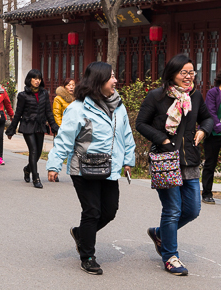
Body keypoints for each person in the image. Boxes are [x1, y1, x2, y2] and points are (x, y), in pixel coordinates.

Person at [46, 62, 135, 275]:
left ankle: (81, 234)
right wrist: (54, 164)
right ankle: (87, 255)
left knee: (110, 211)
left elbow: (126, 135)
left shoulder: (118, 106)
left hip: (110, 167)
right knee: (92, 211)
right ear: (98, 81)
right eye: (111, 77)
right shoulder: (78, 108)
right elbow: (64, 139)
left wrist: (128, 160)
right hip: (83, 168)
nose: (115, 80)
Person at [136, 54, 213, 275]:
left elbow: (207, 118)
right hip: (166, 160)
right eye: (184, 73)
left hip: (190, 161)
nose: (189, 77)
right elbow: (141, 123)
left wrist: (202, 130)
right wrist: (162, 139)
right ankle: (171, 256)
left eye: (192, 72)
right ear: (172, 74)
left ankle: (160, 234)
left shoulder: (195, 97)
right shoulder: (156, 97)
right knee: (172, 209)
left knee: (193, 210)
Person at [6, 69, 59, 188]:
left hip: (40, 125)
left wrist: (54, 126)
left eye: (39, 79)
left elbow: (48, 111)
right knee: (33, 150)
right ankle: (36, 177)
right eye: (34, 78)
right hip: (27, 125)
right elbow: (18, 113)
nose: (37, 81)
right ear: (29, 80)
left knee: (38, 152)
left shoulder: (44, 93)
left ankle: (27, 169)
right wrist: (11, 129)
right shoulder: (23, 95)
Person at [202, 72, 221, 204]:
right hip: (214, 134)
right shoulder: (213, 93)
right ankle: (207, 193)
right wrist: (219, 126)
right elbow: (211, 112)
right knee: (210, 164)